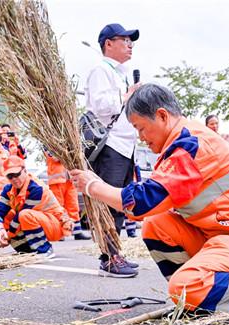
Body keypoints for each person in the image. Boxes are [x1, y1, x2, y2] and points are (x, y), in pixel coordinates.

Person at [71, 84, 229, 325]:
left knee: (184, 286)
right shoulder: (179, 144)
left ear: (163, 116)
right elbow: (151, 207)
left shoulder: (191, 145)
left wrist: (93, 186)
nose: (141, 137)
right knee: (156, 224)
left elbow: (145, 201)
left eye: (141, 128)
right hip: (226, 239)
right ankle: (202, 303)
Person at [84, 23, 142, 277]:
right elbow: (98, 105)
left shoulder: (120, 72)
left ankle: (114, 253)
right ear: (109, 43)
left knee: (119, 203)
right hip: (110, 146)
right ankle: (108, 257)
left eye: (131, 41)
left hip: (125, 146)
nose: (129, 45)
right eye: (125, 40)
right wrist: (127, 95)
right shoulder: (101, 70)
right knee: (109, 202)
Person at [0, 156, 73, 258]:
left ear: (25, 171)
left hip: (55, 225)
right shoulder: (8, 189)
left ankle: (45, 249)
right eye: (10, 176)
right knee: (8, 216)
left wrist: (7, 236)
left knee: (24, 215)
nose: (14, 179)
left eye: (17, 174)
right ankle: (26, 249)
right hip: (37, 222)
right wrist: (0, 230)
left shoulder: (36, 188)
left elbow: (18, 219)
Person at [44, 149, 91, 240]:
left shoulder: (65, 144)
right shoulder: (47, 145)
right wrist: (68, 152)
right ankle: (60, 232)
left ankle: (77, 231)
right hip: (56, 182)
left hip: (69, 180)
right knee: (59, 207)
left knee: (73, 206)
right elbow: (55, 158)